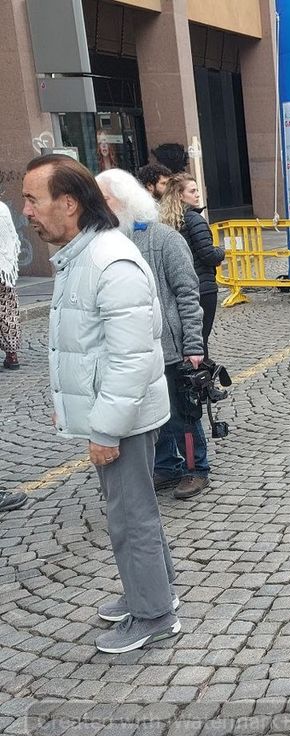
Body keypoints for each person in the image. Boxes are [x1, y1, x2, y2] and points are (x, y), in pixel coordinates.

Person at [23, 154, 179, 653]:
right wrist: (73, 406)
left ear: (69, 203)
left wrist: (106, 428)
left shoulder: (108, 260)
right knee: (134, 510)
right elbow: (86, 346)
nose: (25, 210)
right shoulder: (85, 254)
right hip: (116, 411)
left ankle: (154, 613)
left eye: (33, 199)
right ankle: (153, 591)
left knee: (130, 517)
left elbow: (131, 359)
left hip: (124, 417)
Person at [97, 169, 210, 501]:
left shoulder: (165, 239)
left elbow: (188, 294)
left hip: (170, 348)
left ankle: (195, 468)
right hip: (133, 349)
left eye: (104, 199)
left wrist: (193, 346)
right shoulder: (107, 242)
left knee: (182, 414)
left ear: (124, 201)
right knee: (151, 414)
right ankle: (167, 465)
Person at [159, 174, 224, 358]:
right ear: (180, 195)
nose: (197, 195)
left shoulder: (167, 222)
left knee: (187, 338)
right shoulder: (194, 219)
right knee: (200, 340)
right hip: (202, 286)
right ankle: (201, 374)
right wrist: (221, 252)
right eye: (192, 191)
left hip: (179, 287)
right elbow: (208, 254)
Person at [0, 201, 22, 370]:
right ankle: (12, 355)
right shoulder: (3, 208)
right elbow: (12, 238)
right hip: (3, 270)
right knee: (7, 311)